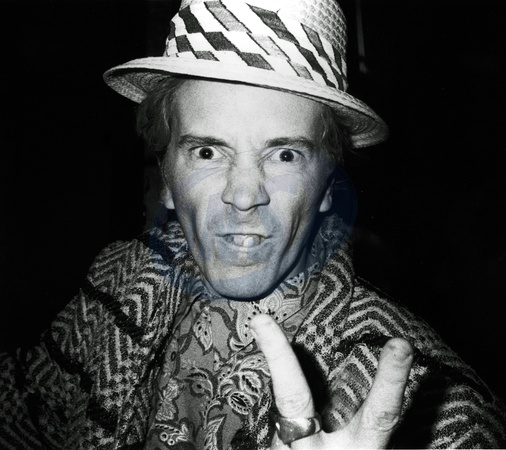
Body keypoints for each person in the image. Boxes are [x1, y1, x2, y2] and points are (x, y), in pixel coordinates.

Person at [1, 0, 505, 448]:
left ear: (329, 185)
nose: (243, 197)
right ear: (167, 178)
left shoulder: (438, 410)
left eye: (284, 155)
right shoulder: (117, 282)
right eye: (207, 151)